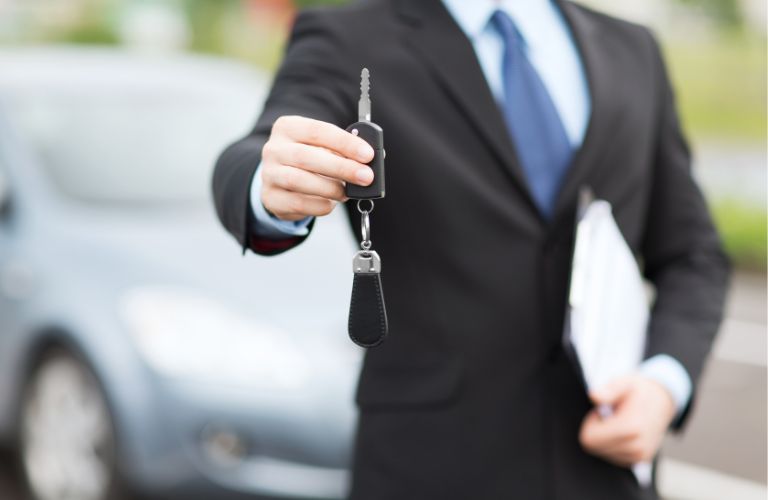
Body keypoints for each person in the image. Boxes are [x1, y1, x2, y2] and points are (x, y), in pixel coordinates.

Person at [212, 0, 730, 498]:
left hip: (604, 464)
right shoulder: (347, 38)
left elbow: (693, 254)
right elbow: (251, 157)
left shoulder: (633, 47)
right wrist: (268, 184)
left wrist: (663, 385)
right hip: (431, 468)